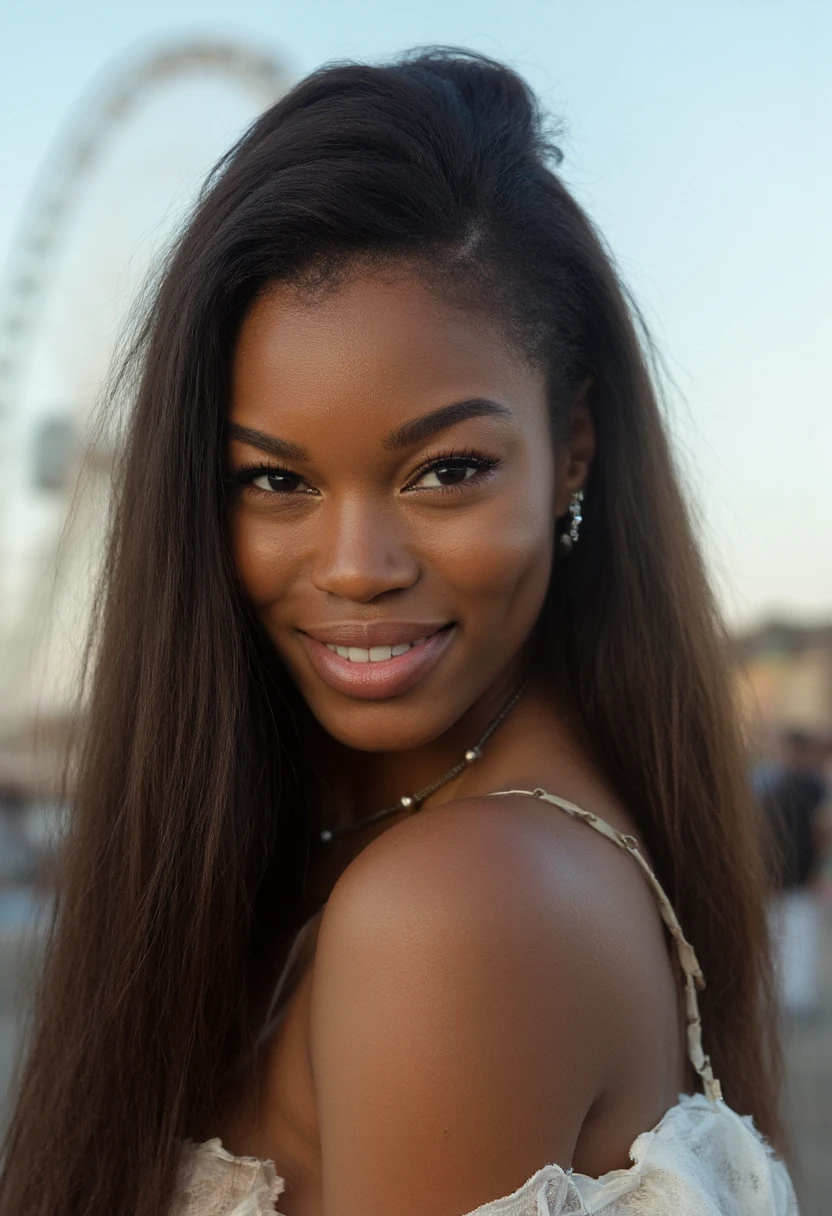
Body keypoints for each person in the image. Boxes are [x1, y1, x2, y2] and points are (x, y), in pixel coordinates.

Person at [0, 50, 797, 1216]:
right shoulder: (474, 835)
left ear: (572, 447)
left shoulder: (456, 909)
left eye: (446, 470)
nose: (356, 568)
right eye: (275, 480)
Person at [763, 730, 831, 1016]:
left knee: (786, 931)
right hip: (794, 871)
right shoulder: (808, 786)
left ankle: (788, 993)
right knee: (795, 930)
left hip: (784, 871)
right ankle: (792, 994)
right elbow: (823, 830)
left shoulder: (776, 785)